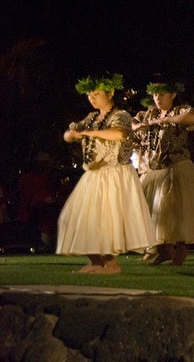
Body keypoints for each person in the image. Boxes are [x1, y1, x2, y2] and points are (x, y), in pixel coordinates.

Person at [56, 74, 156, 273]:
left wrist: (88, 134)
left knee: (105, 220)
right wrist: (73, 134)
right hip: (95, 173)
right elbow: (69, 135)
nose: (92, 98)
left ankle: (110, 263)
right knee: (80, 218)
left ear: (110, 93)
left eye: (96, 93)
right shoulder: (92, 118)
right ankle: (96, 261)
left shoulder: (121, 115)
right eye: (89, 94)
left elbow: (119, 134)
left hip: (115, 174)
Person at [132, 81, 194, 265]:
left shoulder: (179, 111)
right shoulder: (149, 113)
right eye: (155, 95)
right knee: (150, 209)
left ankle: (181, 250)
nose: (158, 98)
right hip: (154, 169)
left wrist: (167, 120)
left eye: (162, 94)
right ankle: (163, 250)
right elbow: (131, 124)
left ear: (173, 95)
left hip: (176, 168)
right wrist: (137, 126)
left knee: (177, 211)